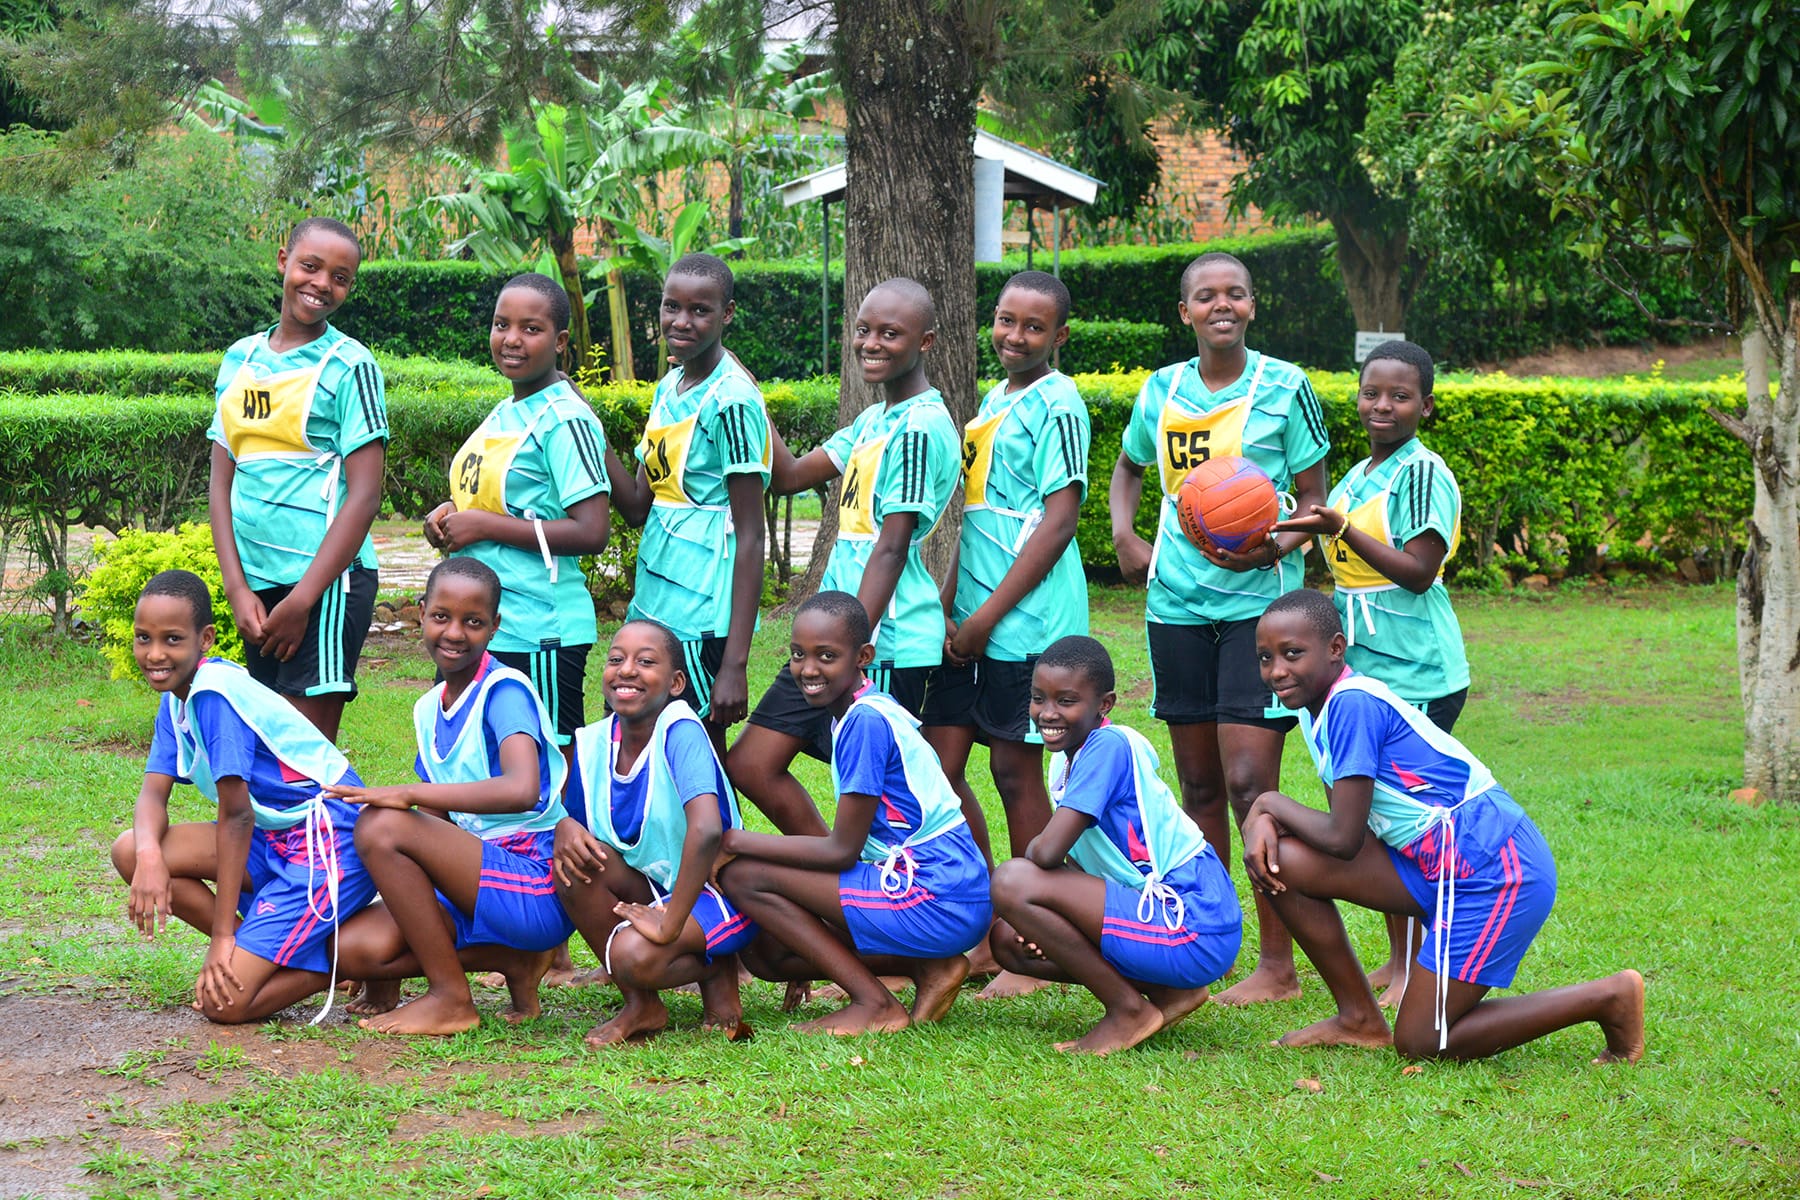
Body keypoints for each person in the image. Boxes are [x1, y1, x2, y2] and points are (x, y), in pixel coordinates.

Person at [1244, 588, 1646, 1063]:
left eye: (1292, 654)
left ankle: (1609, 997)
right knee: (1280, 863)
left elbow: (1342, 838)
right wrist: (1270, 827)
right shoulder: (1321, 711)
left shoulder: (1352, 705)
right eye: (1265, 658)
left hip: (1493, 869)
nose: (1277, 671)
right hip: (1435, 865)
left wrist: (1266, 803)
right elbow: (1352, 835)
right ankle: (1357, 1018)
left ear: (1335, 648)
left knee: (1422, 1041)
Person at [1108, 250, 1329, 1005]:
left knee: (1248, 785)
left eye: (1235, 293)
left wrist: (1284, 543)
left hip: (1257, 612)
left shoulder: (1285, 387)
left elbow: (1314, 496)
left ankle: (1279, 966)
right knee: (1198, 784)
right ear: (1186, 312)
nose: (1221, 305)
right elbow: (1130, 467)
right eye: (1207, 296)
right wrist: (1125, 534)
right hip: (1174, 603)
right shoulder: (1161, 391)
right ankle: (1206, 939)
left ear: (1253, 305)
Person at [1275, 337, 1471, 1004]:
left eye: (1400, 395)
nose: (1382, 405)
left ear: (1426, 406)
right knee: (1383, 821)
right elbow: (1316, 530)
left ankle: (1422, 965)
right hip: (1366, 666)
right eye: (1371, 393)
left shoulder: (1421, 475)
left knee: (1408, 823)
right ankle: (1399, 958)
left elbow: (1417, 573)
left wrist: (1342, 530)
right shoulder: (1360, 474)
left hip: (1417, 670)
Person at [727, 279, 960, 837]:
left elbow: (892, 545)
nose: (871, 343)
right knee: (751, 763)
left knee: (893, 784)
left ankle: (957, 891)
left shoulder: (920, 427)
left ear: (926, 342)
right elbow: (788, 476)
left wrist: (851, 644)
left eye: (890, 333)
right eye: (863, 331)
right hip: (836, 638)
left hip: (881, 640)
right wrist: (743, 391)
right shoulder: (872, 421)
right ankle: (836, 883)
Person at [918, 270, 1091, 998]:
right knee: (944, 768)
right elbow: (979, 516)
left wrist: (989, 617)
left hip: (1030, 623)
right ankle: (988, 922)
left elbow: (1059, 519)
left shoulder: (1059, 402)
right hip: (977, 619)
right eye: (1004, 320)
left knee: (1017, 774)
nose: (1014, 336)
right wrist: (951, 602)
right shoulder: (994, 399)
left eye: (1032, 326)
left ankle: (1037, 935)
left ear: (1059, 336)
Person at [110, 569, 377, 1023]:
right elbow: (152, 794)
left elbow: (236, 817)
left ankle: (339, 961)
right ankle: (254, 950)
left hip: (326, 842)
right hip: (274, 837)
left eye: (172, 639)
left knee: (225, 1006)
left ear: (206, 639)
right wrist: (151, 855)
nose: (154, 654)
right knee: (131, 851)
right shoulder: (177, 696)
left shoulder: (215, 694)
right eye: (143, 638)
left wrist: (219, 939)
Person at [719, 591, 991, 1036]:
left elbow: (842, 851)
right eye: (797, 654)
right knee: (769, 954)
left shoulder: (864, 722)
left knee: (744, 877)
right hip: (944, 891)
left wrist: (732, 841)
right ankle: (932, 968)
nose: (808, 669)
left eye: (827, 656)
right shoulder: (853, 712)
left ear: (863, 656)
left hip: (938, 894)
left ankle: (875, 1003)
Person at [325, 557, 572, 1036]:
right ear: (421, 613)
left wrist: (407, 793)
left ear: (495, 627)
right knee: (354, 950)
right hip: (479, 879)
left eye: (473, 622)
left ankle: (451, 999)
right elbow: (433, 824)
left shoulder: (505, 692)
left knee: (380, 823)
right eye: (442, 616)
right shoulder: (426, 709)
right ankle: (515, 961)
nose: (455, 633)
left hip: (536, 881)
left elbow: (523, 789)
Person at [989, 636, 1242, 1054]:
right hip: (1166, 917)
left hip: (1193, 920)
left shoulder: (1107, 747)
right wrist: (1045, 921)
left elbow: (1048, 855)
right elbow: (1081, 866)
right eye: (1038, 698)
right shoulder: (1066, 758)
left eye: (1066, 701)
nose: (1047, 713)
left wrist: (1037, 871)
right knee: (1006, 940)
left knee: (1013, 881)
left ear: (1104, 704)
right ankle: (1172, 992)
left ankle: (1128, 1010)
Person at [208, 217, 386, 744]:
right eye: (310, 266)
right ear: (284, 260)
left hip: (325, 585)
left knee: (302, 756)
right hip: (260, 588)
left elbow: (366, 494)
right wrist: (238, 589)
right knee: (264, 744)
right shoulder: (239, 358)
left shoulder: (351, 365)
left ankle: (325, 831)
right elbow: (221, 482)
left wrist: (303, 600)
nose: (322, 284)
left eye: (340, 277)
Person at [424, 272, 611, 749]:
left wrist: (485, 525)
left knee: (549, 766)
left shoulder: (565, 419)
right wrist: (452, 512)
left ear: (560, 340)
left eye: (531, 329)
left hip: (539, 628)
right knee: (475, 758)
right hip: (484, 624)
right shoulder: (508, 408)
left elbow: (592, 531)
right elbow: (503, 496)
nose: (511, 340)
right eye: (501, 324)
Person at [552, 620, 757, 1047]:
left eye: (646, 662)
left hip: (719, 890)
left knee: (631, 956)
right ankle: (642, 1004)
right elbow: (574, 825)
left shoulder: (680, 731)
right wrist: (564, 826)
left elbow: (705, 830)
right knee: (572, 864)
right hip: (655, 885)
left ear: (676, 682)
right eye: (616, 659)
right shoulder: (592, 744)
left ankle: (718, 970)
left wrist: (668, 923)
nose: (627, 670)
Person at [603, 254, 768, 759]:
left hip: (704, 612)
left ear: (728, 314)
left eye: (699, 310)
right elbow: (636, 505)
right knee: (633, 737)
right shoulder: (668, 388)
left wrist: (734, 664)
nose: (681, 321)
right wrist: (585, 423)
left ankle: (720, 842)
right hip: (656, 597)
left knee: (698, 753)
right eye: (671, 307)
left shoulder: (733, 400)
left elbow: (751, 534)